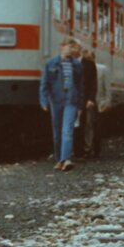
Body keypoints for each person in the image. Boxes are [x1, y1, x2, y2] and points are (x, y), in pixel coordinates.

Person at [40, 37, 84, 171]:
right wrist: (44, 100)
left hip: (71, 100)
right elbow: (44, 84)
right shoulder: (51, 63)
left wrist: (80, 104)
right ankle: (59, 159)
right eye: (70, 47)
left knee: (67, 130)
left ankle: (66, 159)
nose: (72, 50)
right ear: (62, 46)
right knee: (57, 132)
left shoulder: (77, 65)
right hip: (56, 101)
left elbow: (80, 86)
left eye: (73, 48)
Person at [76, 48, 103, 157]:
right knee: (80, 125)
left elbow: (93, 84)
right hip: (77, 99)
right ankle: (79, 150)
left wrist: (91, 99)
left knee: (87, 124)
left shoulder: (89, 65)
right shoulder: (71, 63)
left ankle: (85, 149)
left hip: (86, 99)